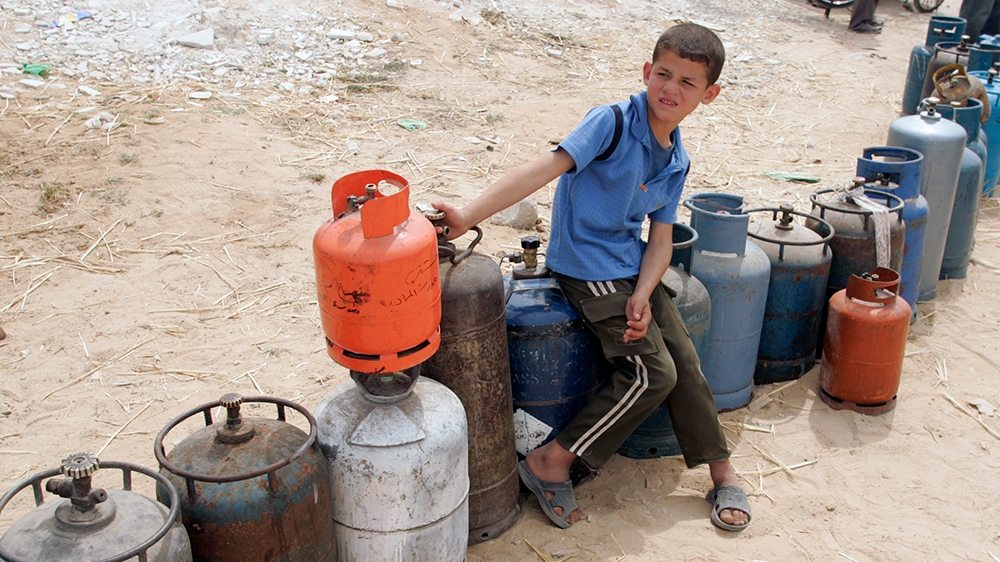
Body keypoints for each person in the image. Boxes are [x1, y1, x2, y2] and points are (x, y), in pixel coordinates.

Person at [432, 23, 751, 532]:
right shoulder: (613, 123)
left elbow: (661, 239)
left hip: (631, 267)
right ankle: (550, 460)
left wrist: (645, 294)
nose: (671, 89)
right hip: (588, 268)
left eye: (688, 83)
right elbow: (544, 169)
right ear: (647, 72)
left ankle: (721, 471)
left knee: (685, 361)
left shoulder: (677, 158)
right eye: (664, 74)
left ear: (708, 95)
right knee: (652, 373)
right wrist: (469, 216)